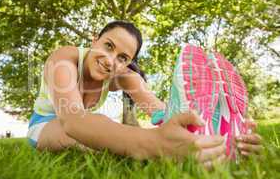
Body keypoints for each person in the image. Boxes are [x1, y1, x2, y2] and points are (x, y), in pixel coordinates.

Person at [27, 21, 262, 168]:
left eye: (123, 58)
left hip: (78, 125)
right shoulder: (65, 58)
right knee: (82, 136)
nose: (111, 61)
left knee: (105, 137)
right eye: (108, 46)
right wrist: (154, 142)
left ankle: (211, 143)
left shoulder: (124, 76)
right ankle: (156, 149)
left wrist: (197, 129)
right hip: (46, 127)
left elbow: (158, 110)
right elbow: (73, 121)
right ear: (94, 40)